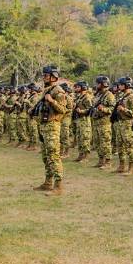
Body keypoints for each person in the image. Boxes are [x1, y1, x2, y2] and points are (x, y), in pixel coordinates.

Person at [32, 65, 67, 196]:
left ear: (53, 77)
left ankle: (58, 186)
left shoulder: (58, 91)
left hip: (53, 126)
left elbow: (63, 110)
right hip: (44, 126)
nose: (43, 78)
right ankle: (48, 183)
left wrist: (52, 101)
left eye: (46, 76)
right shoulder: (46, 90)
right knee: (46, 156)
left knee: (53, 156)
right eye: (44, 75)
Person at [112, 77, 133, 175]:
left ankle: (131, 168)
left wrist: (124, 110)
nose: (119, 86)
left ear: (127, 85)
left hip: (127, 124)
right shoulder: (123, 96)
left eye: (121, 85)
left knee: (129, 146)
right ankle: (122, 165)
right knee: (120, 145)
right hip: (120, 123)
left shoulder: (132, 98)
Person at [91, 76, 116, 169]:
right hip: (96, 122)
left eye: (98, 83)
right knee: (97, 143)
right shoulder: (98, 94)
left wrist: (104, 109)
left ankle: (108, 162)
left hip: (104, 123)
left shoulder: (109, 95)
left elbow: (112, 109)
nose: (96, 85)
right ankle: (101, 160)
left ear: (102, 84)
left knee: (105, 143)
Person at [72, 81, 93, 162]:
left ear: (83, 87)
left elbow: (90, 109)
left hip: (85, 120)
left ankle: (86, 156)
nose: (76, 88)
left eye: (78, 87)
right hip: (79, 120)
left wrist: (82, 111)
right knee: (79, 138)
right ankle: (80, 155)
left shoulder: (87, 97)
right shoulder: (80, 97)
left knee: (85, 138)